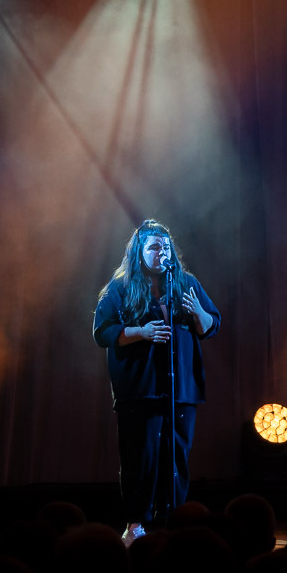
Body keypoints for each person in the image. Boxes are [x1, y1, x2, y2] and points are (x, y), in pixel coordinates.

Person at [93, 220, 220, 543]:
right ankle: (136, 524)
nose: (160, 252)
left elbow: (211, 325)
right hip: (140, 390)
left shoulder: (186, 283)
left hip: (181, 391)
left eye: (165, 247)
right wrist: (142, 332)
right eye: (153, 247)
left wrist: (198, 312)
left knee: (176, 458)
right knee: (140, 458)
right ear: (138, 252)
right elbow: (102, 332)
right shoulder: (120, 287)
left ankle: (173, 522)